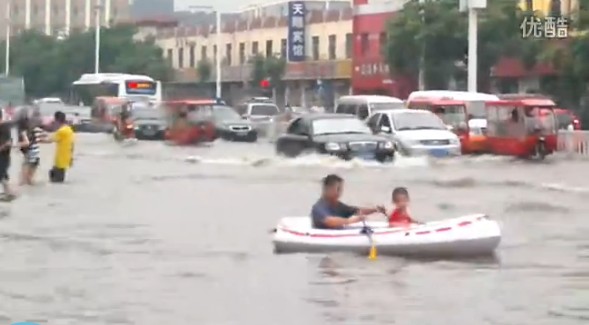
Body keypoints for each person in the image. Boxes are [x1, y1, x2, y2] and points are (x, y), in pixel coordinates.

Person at [311, 174, 385, 229]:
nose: (340, 193)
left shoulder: (337, 205)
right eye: (338, 189)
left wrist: (375, 210)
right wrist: (351, 221)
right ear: (328, 189)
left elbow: (357, 210)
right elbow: (329, 221)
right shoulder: (318, 207)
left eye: (341, 189)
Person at [46, 111, 74, 183]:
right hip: (66, 158)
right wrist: (71, 157)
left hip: (60, 159)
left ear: (57, 120)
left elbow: (50, 140)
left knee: (55, 180)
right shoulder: (69, 129)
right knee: (60, 180)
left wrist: (36, 139)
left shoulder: (61, 131)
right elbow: (72, 144)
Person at [17, 116, 46, 185]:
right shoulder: (32, 129)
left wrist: (16, 144)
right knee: (30, 178)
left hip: (29, 153)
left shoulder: (23, 132)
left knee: (23, 179)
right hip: (36, 152)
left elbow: (27, 143)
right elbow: (43, 134)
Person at [0, 110, 16, 199]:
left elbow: (8, 143)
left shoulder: (4, 127)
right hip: (4, 156)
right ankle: (9, 193)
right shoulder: (5, 127)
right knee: (3, 175)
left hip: (3, 157)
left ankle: (9, 194)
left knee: (1, 175)